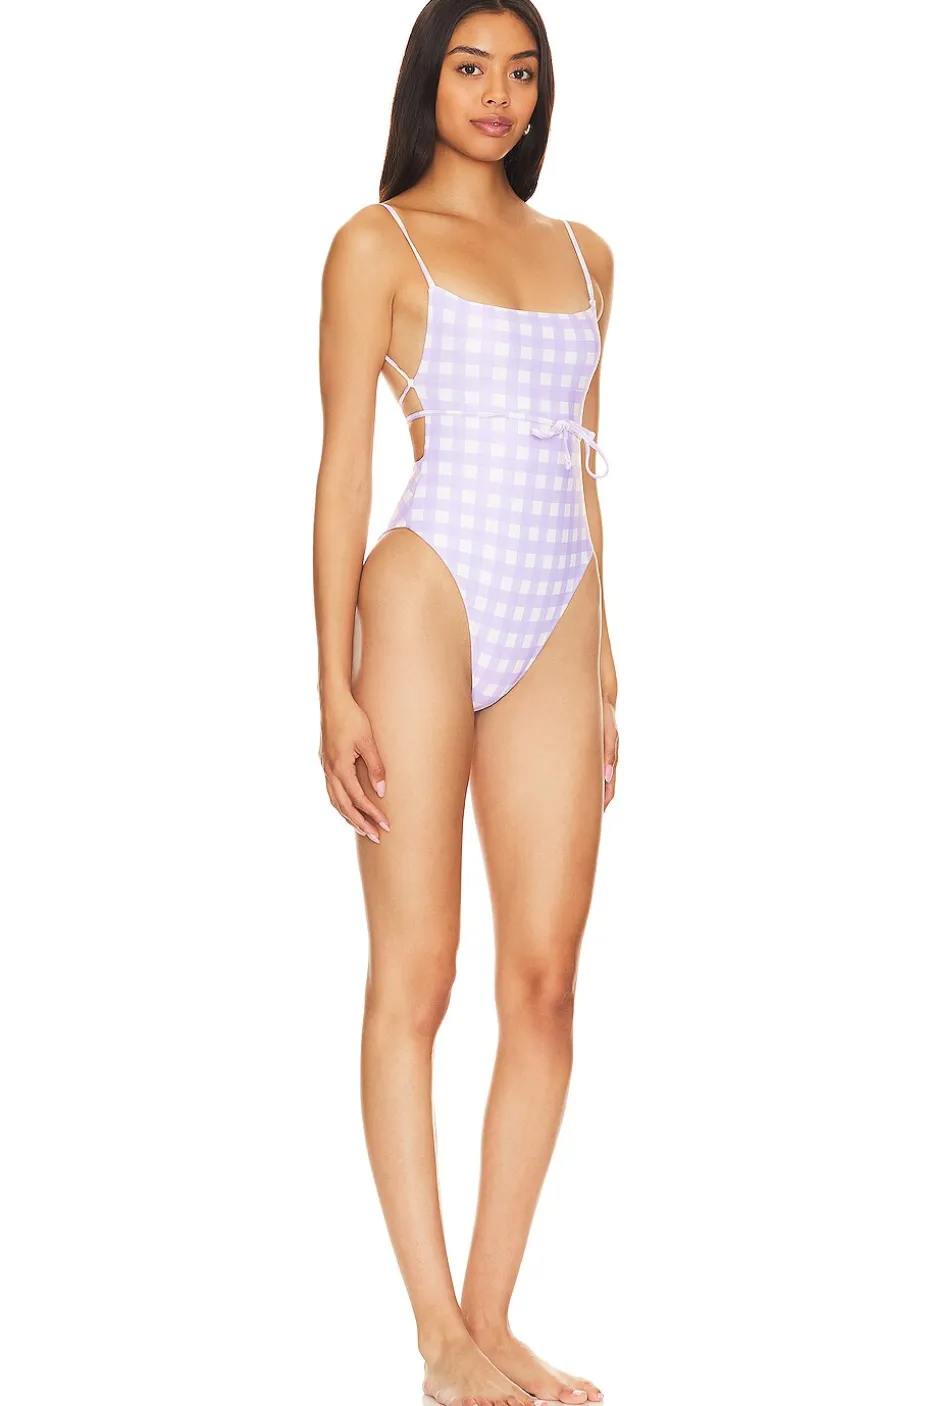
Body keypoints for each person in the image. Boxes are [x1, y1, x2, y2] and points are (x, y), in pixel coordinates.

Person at [314, 3, 616, 1403]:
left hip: (556, 604)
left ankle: (493, 1319)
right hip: (426, 591)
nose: (498, 93)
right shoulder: (378, 243)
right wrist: (331, 680)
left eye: (522, 71)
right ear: (427, 83)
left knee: (544, 981)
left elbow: (585, 461)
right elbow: (341, 467)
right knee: (418, 972)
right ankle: (436, 1335)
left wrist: (603, 660)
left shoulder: (587, 256)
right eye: (471, 67)